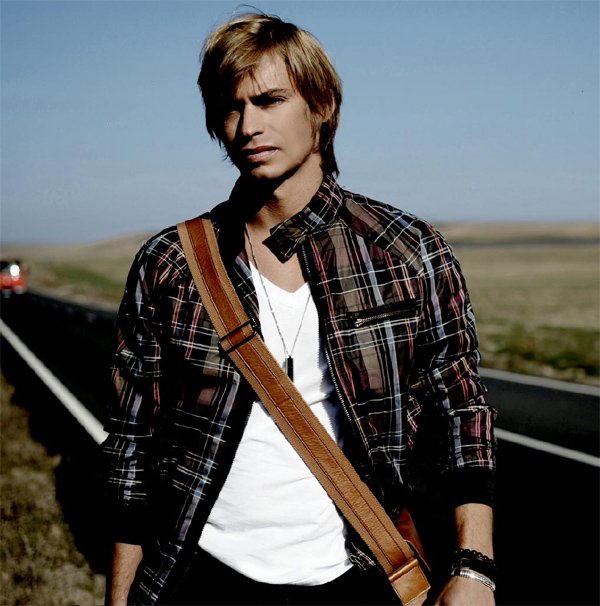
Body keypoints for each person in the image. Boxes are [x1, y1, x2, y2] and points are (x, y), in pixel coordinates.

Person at [102, 12, 497, 606]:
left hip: (360, 576)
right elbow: (132, 449)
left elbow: (462, 412)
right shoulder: (171, 264)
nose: (247, 126)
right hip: (200, 576)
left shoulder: (406, 252)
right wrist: (121, 597)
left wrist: (474, 569)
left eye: (269, 100)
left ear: (321, 104)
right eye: (230, 108)